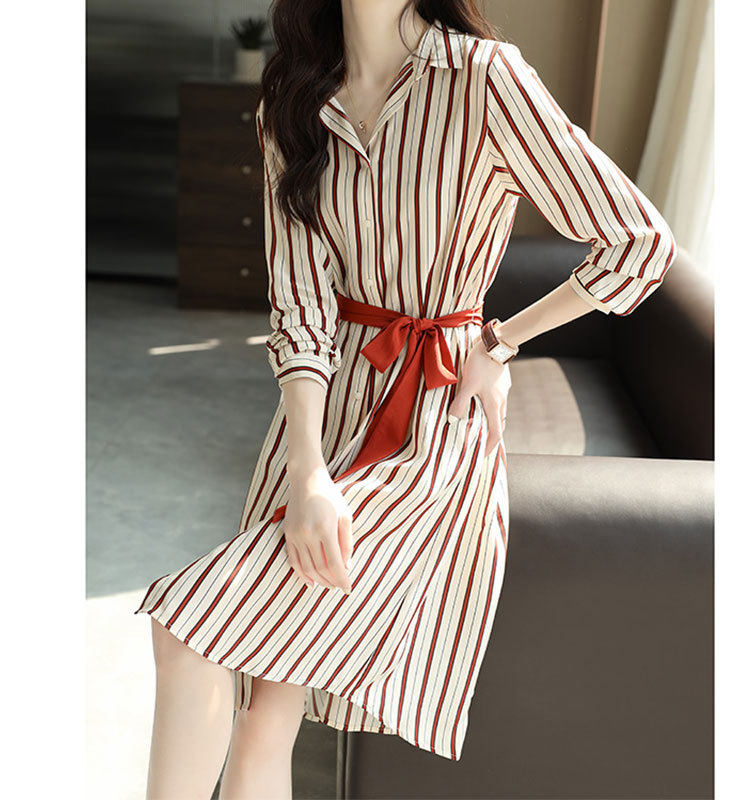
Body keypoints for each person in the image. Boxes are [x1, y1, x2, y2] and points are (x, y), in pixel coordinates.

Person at [134, 1, 677, 797]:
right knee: (262, 715)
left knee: (190, 634)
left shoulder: (486, 79)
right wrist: (307, 469)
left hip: (432, 430)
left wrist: (501, 341)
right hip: (322, 426)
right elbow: (300, 309)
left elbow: (639, 240)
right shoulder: (292, 97)